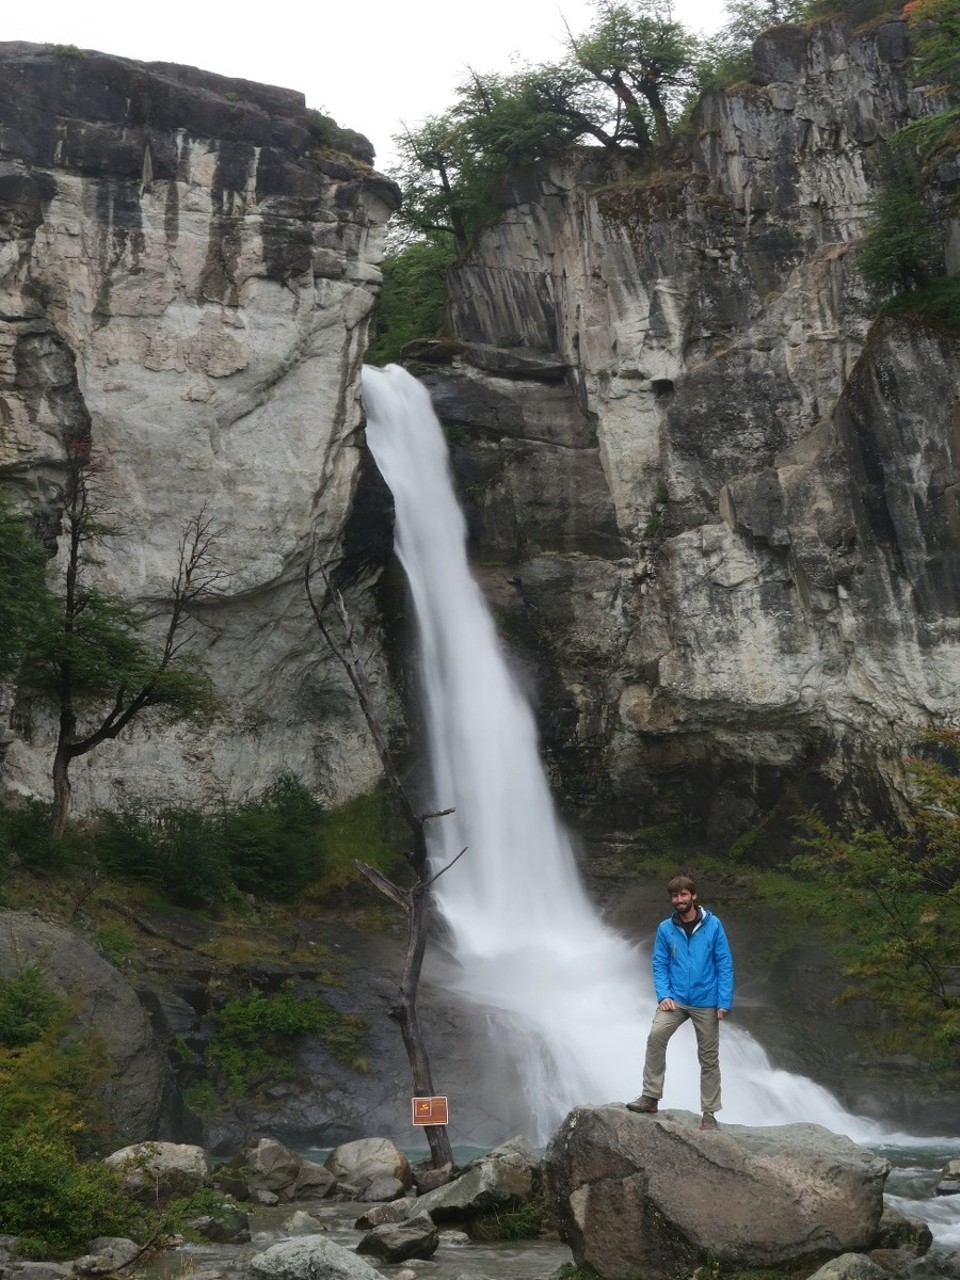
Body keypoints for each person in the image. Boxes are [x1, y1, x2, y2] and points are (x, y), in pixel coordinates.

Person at [627, 874, 734, 1130]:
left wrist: (724, 1001)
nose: (679, 900)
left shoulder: (713, 925)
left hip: (706, 1000)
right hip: (675, 999)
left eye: (684, 895)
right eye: (675, 896)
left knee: (708, 1057)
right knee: (656, 1035)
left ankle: (709, 1113)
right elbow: (660, 964)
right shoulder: (666, 928)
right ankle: (650, 1097)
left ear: (693, 896)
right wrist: (663, 995)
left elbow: (725, 964)